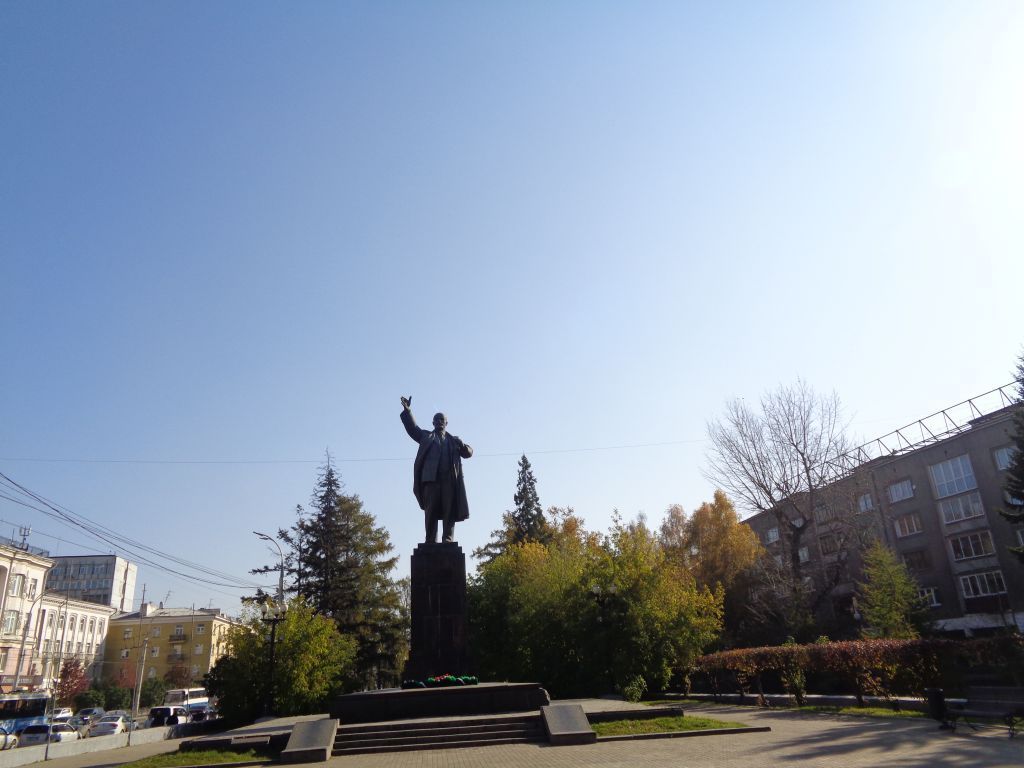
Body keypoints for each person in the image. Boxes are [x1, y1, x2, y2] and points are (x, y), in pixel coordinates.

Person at [400, 396, 473, 543]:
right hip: (430, 480)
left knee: (448, 510)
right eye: (436, 419)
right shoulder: (426, 437)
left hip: (449, 481)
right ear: (432, 423)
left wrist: (462, 444)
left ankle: (448, 539)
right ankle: (430, 540)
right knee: (431, 511)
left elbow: (469, 453)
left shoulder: (454, 441)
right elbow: (413, 429)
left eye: (442, 419)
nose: (439, 421)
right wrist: (408, 411)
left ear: (446, 423)